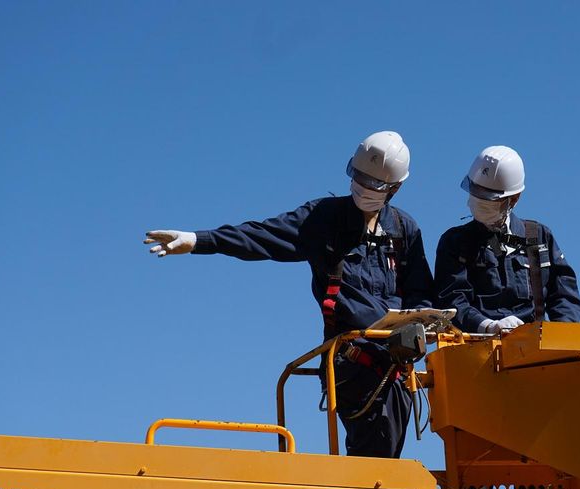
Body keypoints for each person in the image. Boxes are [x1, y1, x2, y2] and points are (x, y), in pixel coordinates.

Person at [144, 131, 433, 458]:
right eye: (359, 178)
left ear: (395, 188)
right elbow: (260, 236)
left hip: (396, 365)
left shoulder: (403, 230)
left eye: (375, 184)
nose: (364, 188)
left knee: (389, 453)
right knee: (376, 454)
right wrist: (198, 241)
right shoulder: (322, 219)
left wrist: (416, 326)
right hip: (351, 361)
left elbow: (421, 292)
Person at [434, 145, 580, 334]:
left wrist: (558, 335)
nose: (479, 204)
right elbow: (451, 299)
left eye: (488, 200)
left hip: (533, 345)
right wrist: (488, 326)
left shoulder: (538, 237)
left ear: (514, 199)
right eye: (475, 193)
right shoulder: (455, 242)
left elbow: (565, 295)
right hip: (475, 344)